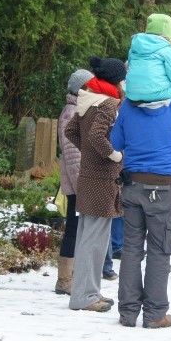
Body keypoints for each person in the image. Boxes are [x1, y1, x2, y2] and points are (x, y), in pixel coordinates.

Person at [110, 89, 171, 328]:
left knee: (132, 248)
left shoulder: (129, 105)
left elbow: (116, 142)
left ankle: (128, 312)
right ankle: (155, 314)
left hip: (132, 183)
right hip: (163, 187)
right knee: (160, 248)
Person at [65, 57, 127, 313]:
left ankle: (88, 292)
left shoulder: (87, 100)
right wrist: (114, 155)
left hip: (90, 176)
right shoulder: (109, 103)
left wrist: (89, 154)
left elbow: (72, 132)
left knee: (88, 238)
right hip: (102, 179)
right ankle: (85, 296)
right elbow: (96, 136)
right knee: (95, 241)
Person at [55, 68, 94, 295]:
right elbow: (73, 156)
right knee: (73, 229)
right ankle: (64, 280)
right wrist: (82, 186)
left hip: (80, 182)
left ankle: (74, 276)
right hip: (76, 184)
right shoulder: (72, 112)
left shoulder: (81, 109)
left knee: (79, 229)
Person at [124, 13, 171, 103]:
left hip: (131, 91)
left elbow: (130, 67)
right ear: (168, 32)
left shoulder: (135, 46)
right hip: (153, 92)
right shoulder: (166, 49)